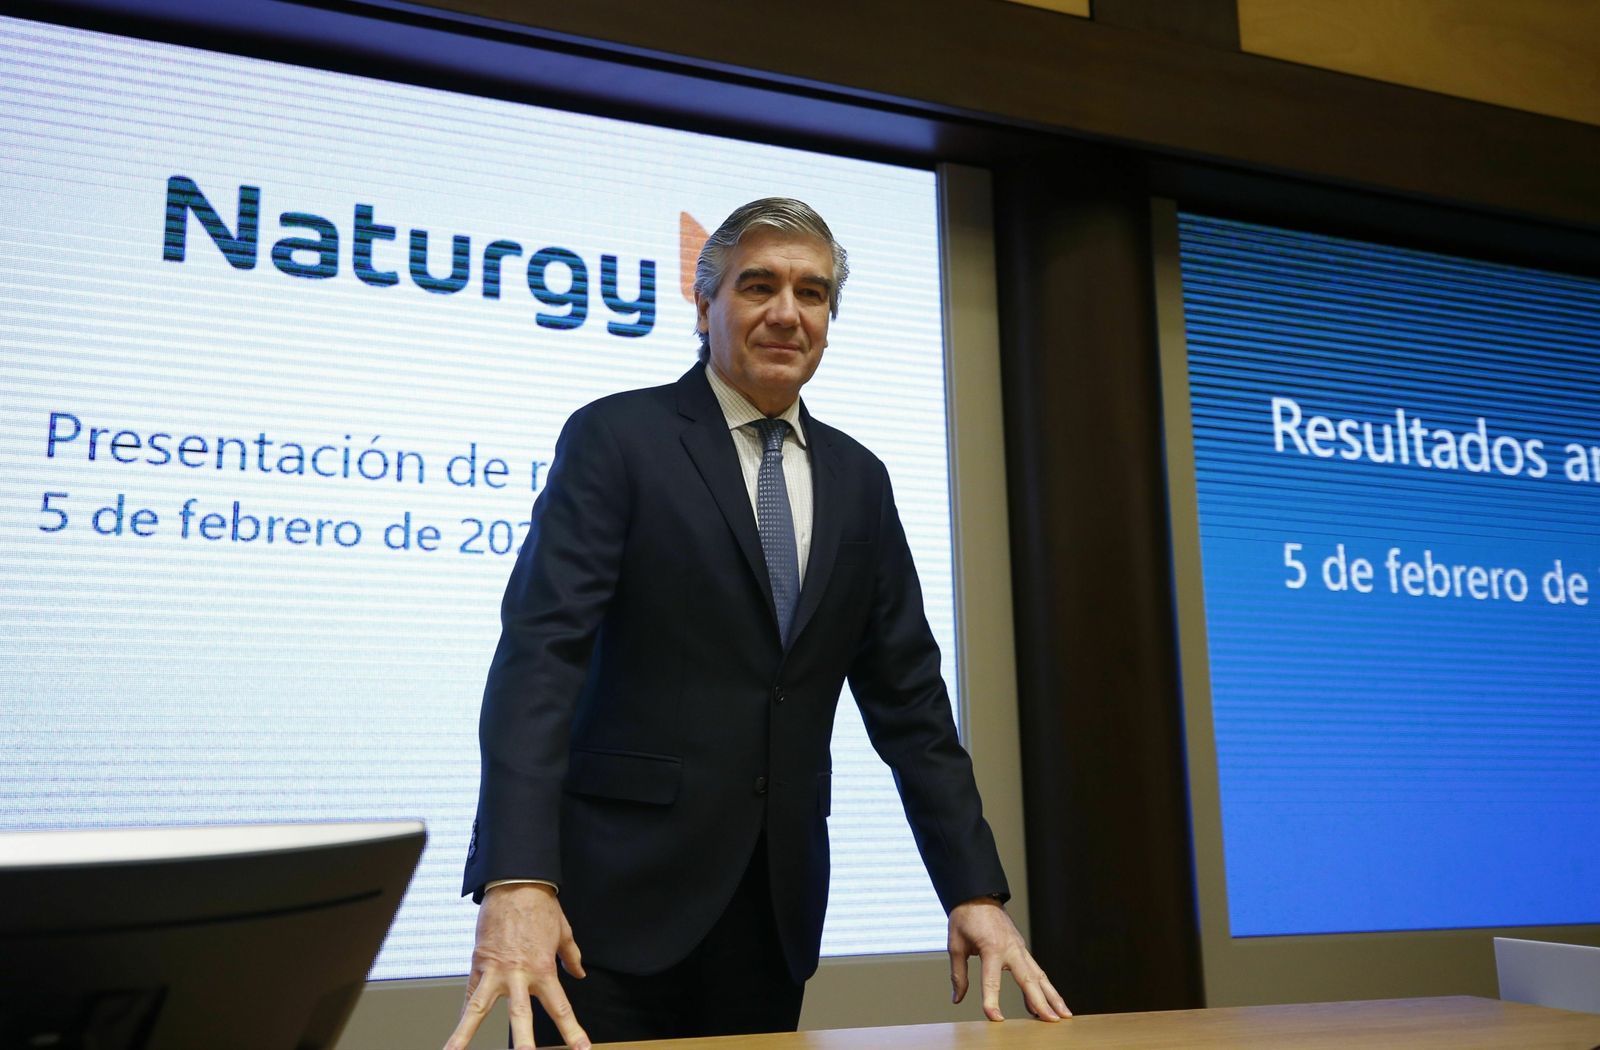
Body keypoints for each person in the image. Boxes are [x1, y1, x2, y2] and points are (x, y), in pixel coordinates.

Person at [444, 199, 1068, 1050]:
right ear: (705, 307)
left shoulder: (860, 480)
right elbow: (539, 660)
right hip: (604, 915)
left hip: (771, 915)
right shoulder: (617, 439)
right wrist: (516, 876)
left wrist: (975, 893)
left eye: (812, 294)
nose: (787, 312)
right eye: (759, 286)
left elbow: (913, 708)